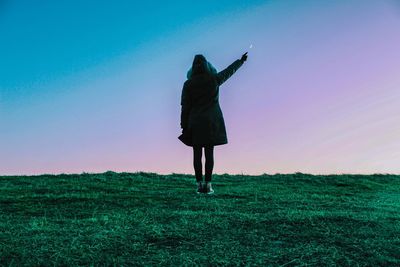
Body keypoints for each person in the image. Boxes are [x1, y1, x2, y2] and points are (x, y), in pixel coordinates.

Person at [179, 52, 248, 194]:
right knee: (209, 153)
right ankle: (208, 185)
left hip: (195, 122)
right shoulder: (214, 79)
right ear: (207, 65)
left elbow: (184, 106)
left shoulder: (188, 84)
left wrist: (183, 124)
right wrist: (241, 61)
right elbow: (229, 71)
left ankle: (199, 185)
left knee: (197, 154)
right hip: (211, 122)